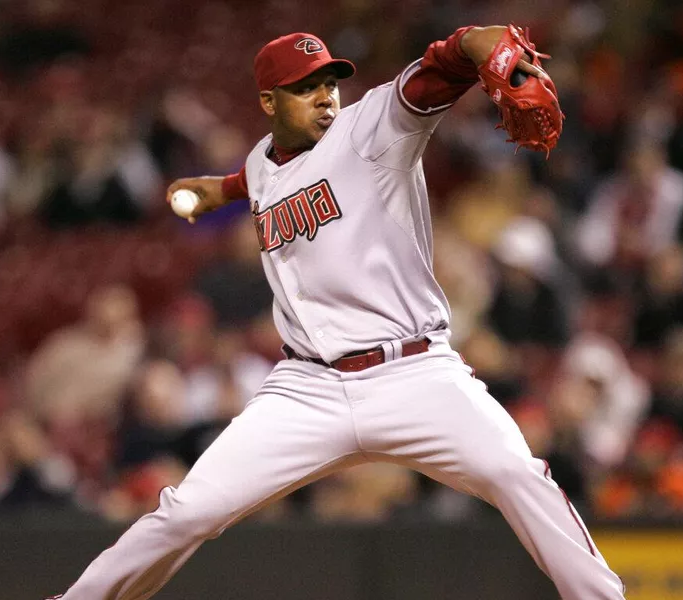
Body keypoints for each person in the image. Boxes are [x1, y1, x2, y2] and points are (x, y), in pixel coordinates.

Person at [48, 26, 625, 600]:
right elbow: (256, 175)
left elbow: (451, 58)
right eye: (306, 88)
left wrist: (492, 53)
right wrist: (215, 191)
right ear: (269, 103)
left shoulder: (374, 126)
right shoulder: (261, 162)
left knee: (518, 475)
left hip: (414, 373)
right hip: (307, 389)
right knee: (187, 512)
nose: (326, 96)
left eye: (330, 82)